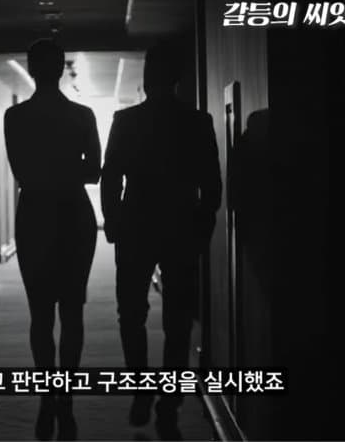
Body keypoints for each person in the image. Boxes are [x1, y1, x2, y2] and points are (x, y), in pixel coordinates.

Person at [100, 42, 222, 439]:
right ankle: (170, 400)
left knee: (131, 313)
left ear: (147, 77)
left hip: (135, 226)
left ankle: (140, 389)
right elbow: (212, 185)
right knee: (178, 319)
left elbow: (110, 175)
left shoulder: (126, 120)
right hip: (181, 226)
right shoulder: (198, 121)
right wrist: (202, 230)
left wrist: (113, 221)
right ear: (178, 78)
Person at [4, 39, 101, 441]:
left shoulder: (15, 117)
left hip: (35, 217)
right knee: (73, 312)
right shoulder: (82, 115)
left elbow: (22, 172)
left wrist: (46, 170)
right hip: (75, 216)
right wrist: (67, 168)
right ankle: (67, 399)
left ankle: (48, 395)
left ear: (31, 68)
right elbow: (94, 171)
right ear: (61, 69)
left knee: (40, 314)